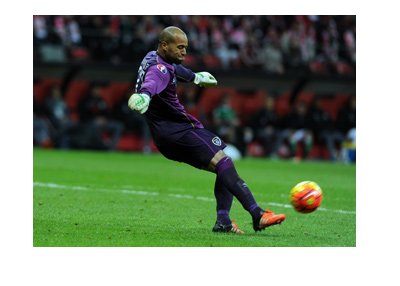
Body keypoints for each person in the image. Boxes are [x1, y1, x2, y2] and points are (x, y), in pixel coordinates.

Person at [127, 26, 286, 234]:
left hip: (165, 138)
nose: (184, 52)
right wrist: (145, 96)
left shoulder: (152, 57)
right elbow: (152, 82)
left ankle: (224, 222)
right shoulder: (160, 70)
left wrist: (195, 77)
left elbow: (174, 69)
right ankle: (258, 214)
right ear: (164, 45)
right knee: (225, 163)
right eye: (180, 47)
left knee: (223, 165)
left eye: (186, 47)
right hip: (181, 131)